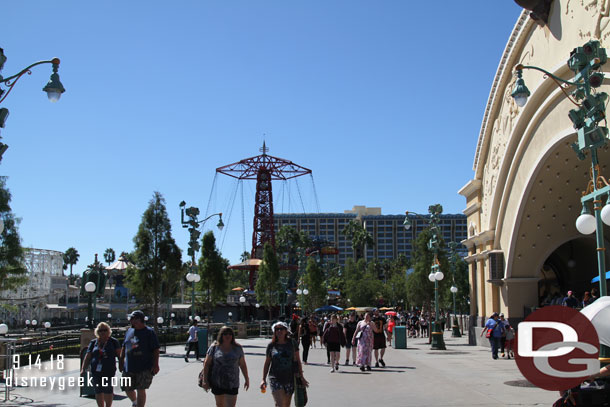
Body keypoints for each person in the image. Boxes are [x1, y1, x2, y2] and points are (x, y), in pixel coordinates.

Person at [261, 322, 308, 407]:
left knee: (286, 405)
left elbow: (298, 361)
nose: (279, 331)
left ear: (286, 331)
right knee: (280, 404)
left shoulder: (292, 343)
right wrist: (263, 379)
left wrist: (302, 377)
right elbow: (267, 363)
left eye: (281, 329)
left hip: (289, 378)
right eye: (277, 329)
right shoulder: (271, 346)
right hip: (275, 378)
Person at [201, 326, 249, 407]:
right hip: (217, 382)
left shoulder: (237, 348)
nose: (228, 336)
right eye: (225, 334)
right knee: (220, 405)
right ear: (221, 335)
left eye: (230, 334)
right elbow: (207, 364)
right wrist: (205, 380)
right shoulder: (214, 347)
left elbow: (243, 365)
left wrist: (247, 379)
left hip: (232, 383)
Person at [120, 310, 160, 407]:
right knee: (126, 387)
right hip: (129, 366)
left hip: (144, 366)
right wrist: (121, 361)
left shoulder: (149, 332)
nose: (130, 321)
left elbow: (156, 349)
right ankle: (135, 402)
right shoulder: (129, 331)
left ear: (138, 319)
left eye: (132, 318)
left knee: (141, 389)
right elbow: (124, 347)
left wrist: (155, 364)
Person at [81, 322, 122, 407]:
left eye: (105, 330)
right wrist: (83, 369)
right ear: (97, 332)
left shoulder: (113, 342)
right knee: (98, 391)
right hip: (96, 371)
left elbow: (120, 356)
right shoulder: (93, 342)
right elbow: (87, 357)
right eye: (100, 330)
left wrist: (122, 366)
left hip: (108, 370)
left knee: (108, 390)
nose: (102, 332)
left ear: (108, 331)